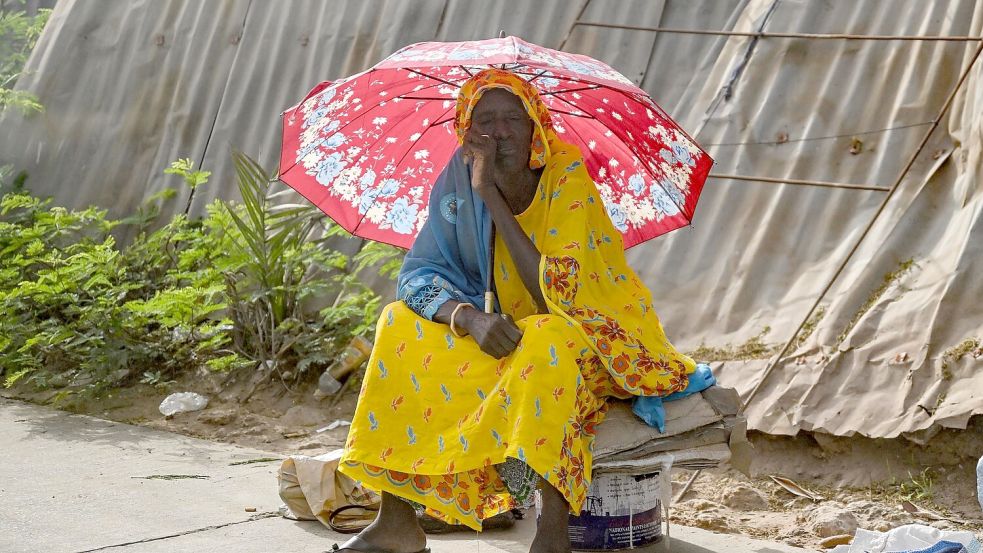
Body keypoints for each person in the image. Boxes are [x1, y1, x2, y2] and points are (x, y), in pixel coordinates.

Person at [333, 68, 696, 553]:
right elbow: (419, 275)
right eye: (485, 120)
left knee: (544, 334)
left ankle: (552, 531)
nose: (499, 132)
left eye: (512, 119)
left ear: (535, 128)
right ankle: (397, 520)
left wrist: (492, 196)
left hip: (587, 337)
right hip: (503, 338)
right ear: (466, 131)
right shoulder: (457, 179)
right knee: (398, 321)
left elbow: (557, 298)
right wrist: (468, 317)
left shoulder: (565, 176)